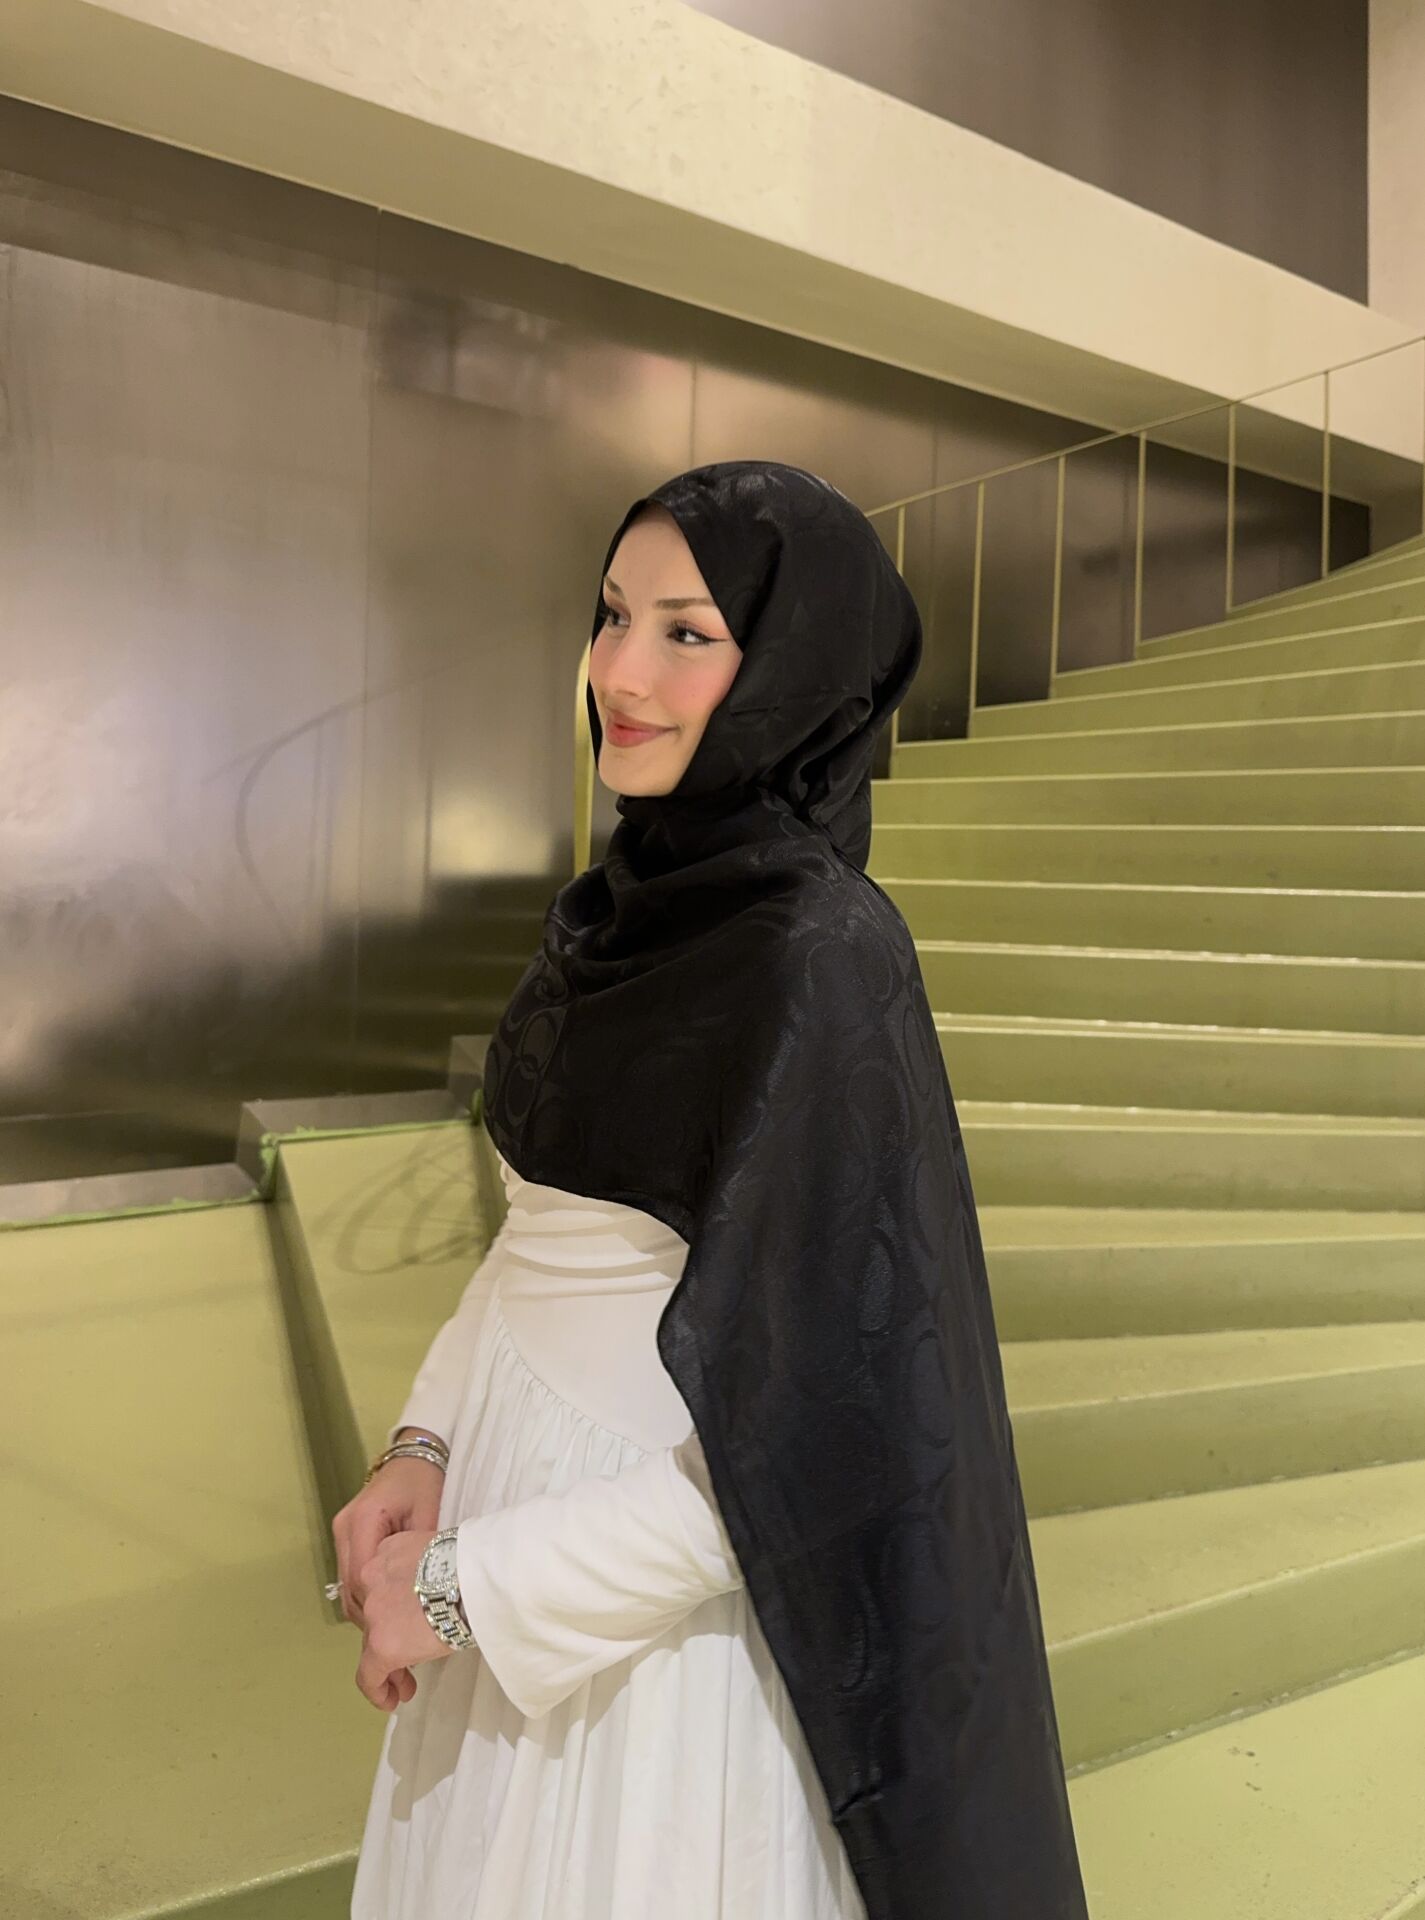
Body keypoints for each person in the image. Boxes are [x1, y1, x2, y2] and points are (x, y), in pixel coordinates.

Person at [336, 462, 1088, 1919]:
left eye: (688, 633)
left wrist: (470, 1591)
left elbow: (817, 1443)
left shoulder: (820, 958)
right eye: (613, 615)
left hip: (652, 1625)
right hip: (499, 1529)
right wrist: (423, 1444)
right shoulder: (613, 910)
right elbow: (538, 1231)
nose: (619, 672)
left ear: (794, 670)